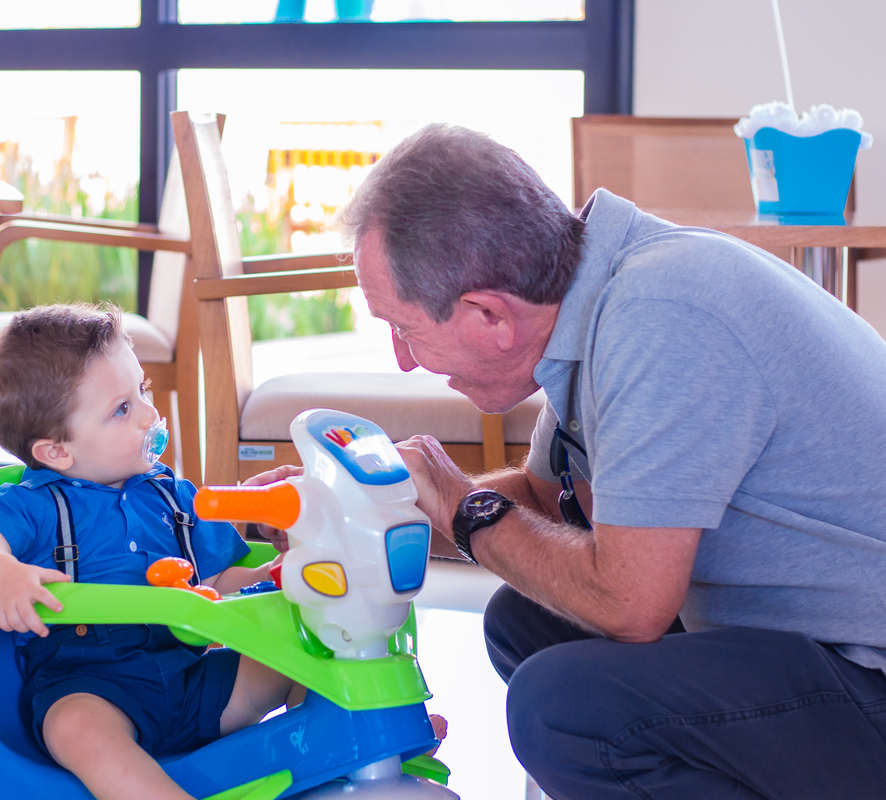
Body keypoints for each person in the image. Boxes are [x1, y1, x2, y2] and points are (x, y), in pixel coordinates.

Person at [266, 122, 886, 798]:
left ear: (488, 315)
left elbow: (629, 603)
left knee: (561, 707)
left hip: (868, 677)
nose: (403, 358)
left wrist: (459, 501)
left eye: (405, 328)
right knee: (525, 620)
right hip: (810, 650)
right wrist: (358, 505)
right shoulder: (602, 297)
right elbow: (540, 504)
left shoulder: (662, 316)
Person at [0, 303, 303, 800]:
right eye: (122, 408)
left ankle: (346, 751)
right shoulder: (34, 505)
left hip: (189, 679)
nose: (149, 414)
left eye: (142, 391)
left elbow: (217, 583)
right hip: (91, 688)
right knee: (76, 729)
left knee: (303, 647)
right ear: (56, 451)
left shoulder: (172, 497)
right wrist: (2, 573)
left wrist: (274, 575)